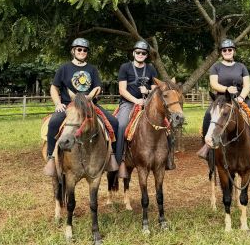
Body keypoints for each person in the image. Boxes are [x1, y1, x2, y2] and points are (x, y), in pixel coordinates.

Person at [43, 38, 118, 176]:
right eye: (79, 49)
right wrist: (58, 103)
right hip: (69, 106)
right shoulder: (64, 68)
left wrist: (91, 96)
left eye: (84, 50)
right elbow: (54, 87)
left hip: (90, 105)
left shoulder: (92, 69)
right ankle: (51, 158)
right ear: (73, 51)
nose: (82, 52)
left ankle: (112, 156)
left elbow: (97, 87)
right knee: (53, 123)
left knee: (114, 122)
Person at [200, 38, 250, 162]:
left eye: (230, 49)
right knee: (208, 115)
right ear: (221, 52)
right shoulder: (216, 67)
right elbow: (214, 84)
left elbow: (247, 86)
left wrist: (241, 98)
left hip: (240, 98)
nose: (227, 51)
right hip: (222, 99)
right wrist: (227, 89)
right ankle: (207, 146)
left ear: (234, 51)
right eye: (224, 50)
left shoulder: (241, 67)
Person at [116, 40, 175, 173]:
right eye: (138, 52)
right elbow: (122, 90)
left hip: (148, 104)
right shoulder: (125, 67)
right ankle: (121, 160)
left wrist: (147, 92)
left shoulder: (151, 69)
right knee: (121, 125)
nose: (140, 54)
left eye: (143, 53)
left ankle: (169, 159)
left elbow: (155, 90)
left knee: (167, 127)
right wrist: (136, 100)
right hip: (129, 103)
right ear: (133, 53)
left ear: (146, 55)